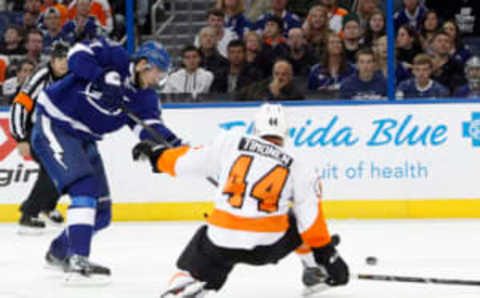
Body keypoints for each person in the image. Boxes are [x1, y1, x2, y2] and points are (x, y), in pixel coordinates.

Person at [131, 103, 349, 297]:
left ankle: (187, 281)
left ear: (254, 128)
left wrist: (157, 156)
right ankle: (316, 270)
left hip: (222, 239)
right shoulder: (300, 166)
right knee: (298, 222)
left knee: (206, 241)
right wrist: (329, 255)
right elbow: (311, 221)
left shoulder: (231, 142)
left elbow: (186, 161)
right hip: (267, 247)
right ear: (285, 133)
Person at [32, 38, 182, 283]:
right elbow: (76, 55)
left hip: (84, 138)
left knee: (101, 212)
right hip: (55, 122)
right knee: (84, 189)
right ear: (143, 64)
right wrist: (102, 76)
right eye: (158, 72)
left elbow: (148, 128)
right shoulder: (114, 55)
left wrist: (177, 146)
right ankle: (78, 260)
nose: (158, 80)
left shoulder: (145, 99)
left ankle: (59, 253)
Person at [10, 41, 70, 233]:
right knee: (54, 167)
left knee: (65, 167)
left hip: (59, 133)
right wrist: (20, 138)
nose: (63, 63)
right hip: (36, 131)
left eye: (67, 59)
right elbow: (20, 104)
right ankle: (28, 214)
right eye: (59, 59)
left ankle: (47, 206)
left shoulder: (75, 76)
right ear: (52, 61)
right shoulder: (40, 76)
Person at [238, 60, 305, 100]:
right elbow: (242, 94)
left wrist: (277, 94)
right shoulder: (263, 85)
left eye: (283, 74)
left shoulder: (295, 92)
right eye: (276, 74)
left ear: (290, 76)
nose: (279, 77)